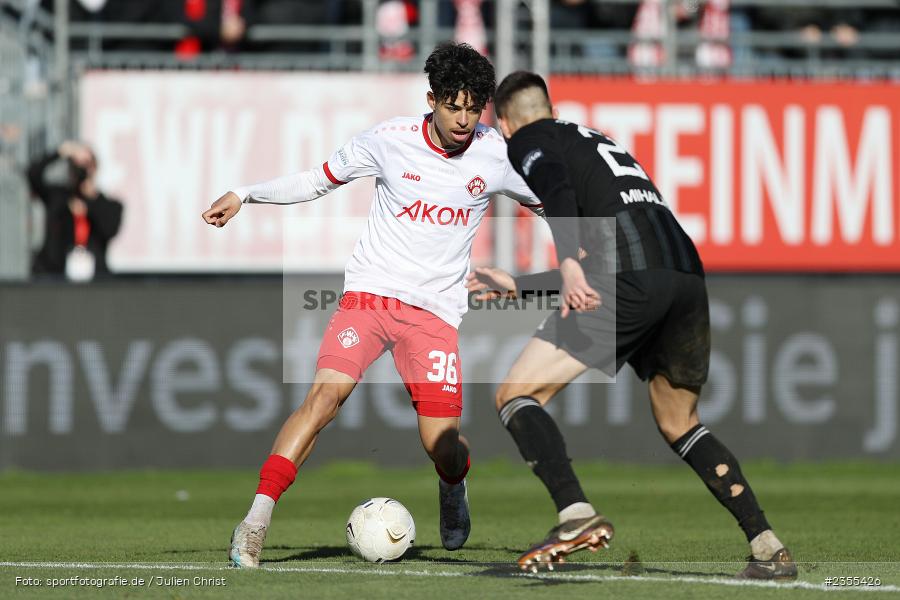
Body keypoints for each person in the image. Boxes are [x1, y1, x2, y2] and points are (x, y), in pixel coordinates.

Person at [201, 43, 543, 569]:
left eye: (474, 108)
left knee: (441, 444)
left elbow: (553, 203)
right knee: (322, 400)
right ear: (431, 99)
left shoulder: (494, 154)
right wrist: (246, 194)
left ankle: (454, 483)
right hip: (370, 296)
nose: (464, 119)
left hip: (434, 314)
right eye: (454, 106)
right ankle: (254, 523)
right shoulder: (388, 141)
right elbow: (315, 181)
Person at [465, 71, 796, 580]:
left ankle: (574, 514)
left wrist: (569, 258)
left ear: (504, 123)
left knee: (514, 393)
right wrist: (524, 285)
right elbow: (615, 247)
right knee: (679, 420)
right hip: (684, 275)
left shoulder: (530, 140)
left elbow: (559, 198)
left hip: (630, 279)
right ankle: (766, 544)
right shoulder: (596, 141)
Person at [26, 140, 123, 280]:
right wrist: (61, 152)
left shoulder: (110, 205)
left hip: (94, 278)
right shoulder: (59, 197)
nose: (82, 170)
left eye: (87, 164)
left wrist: (88, 205)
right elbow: (32, 174)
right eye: (77, 165)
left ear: (95, 167)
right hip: (56, 276)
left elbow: (109, 229)